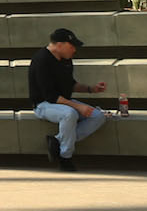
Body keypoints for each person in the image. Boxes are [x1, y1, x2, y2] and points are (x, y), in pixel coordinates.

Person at [29, 27, 108, 171]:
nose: (74, 50)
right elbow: (50, 96)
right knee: (69, 114)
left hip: (63, 102)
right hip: (43, 104)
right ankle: (65, 158)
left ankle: (58, 141)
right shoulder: (41, 60)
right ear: (59, 45)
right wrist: (78, 107)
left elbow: (70, 84)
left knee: (98, 116)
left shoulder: (66, 60)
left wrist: (91, 89)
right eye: (71, 46)